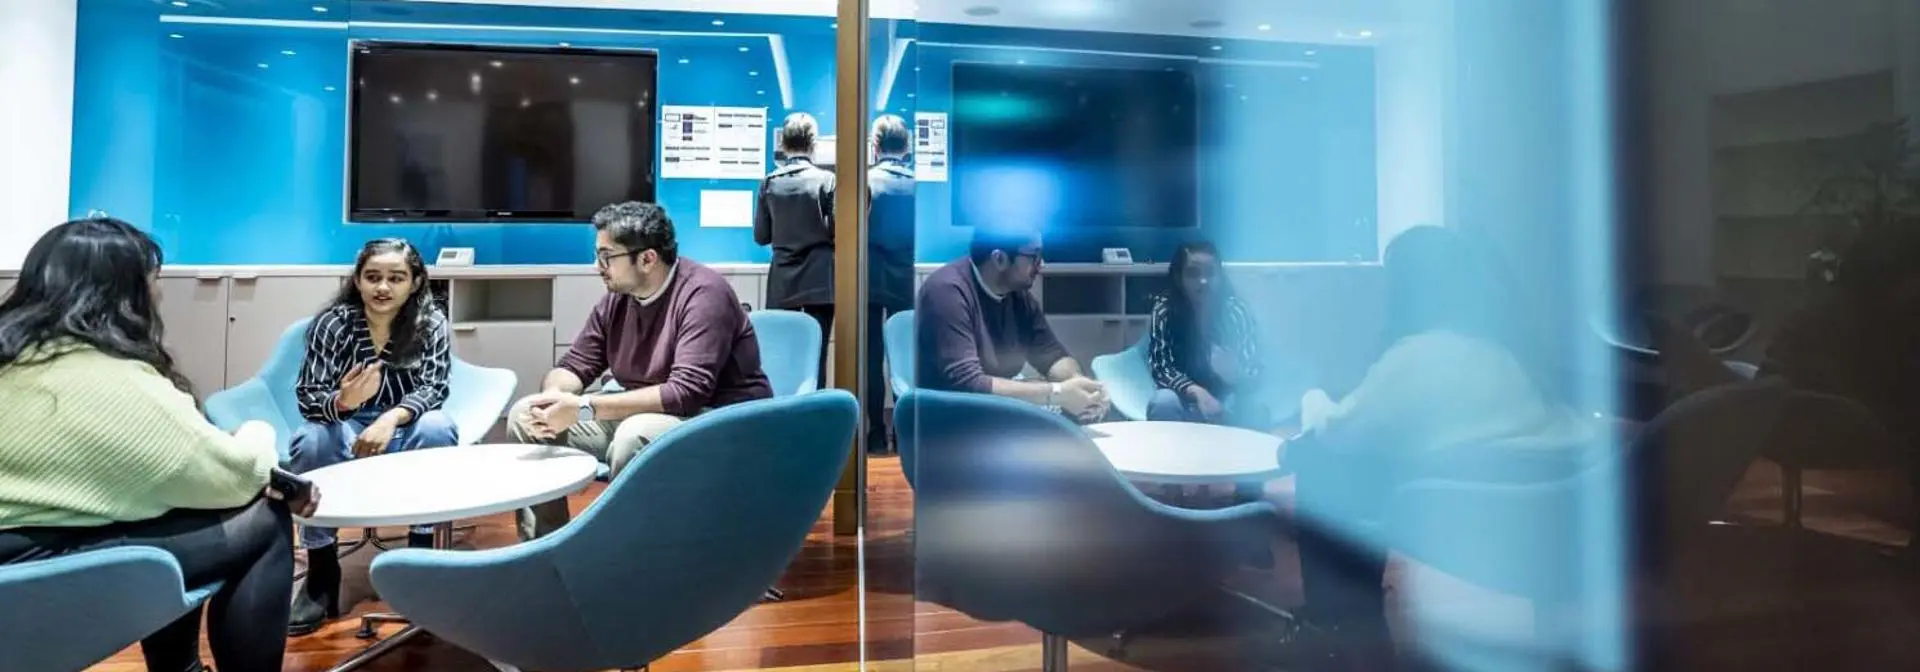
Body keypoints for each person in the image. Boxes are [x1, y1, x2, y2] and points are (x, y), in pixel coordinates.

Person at [0, 217, 318, 672]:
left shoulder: (12, 360)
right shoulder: (121, 381)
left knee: (172, 505)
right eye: (154, 281)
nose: (159, 293)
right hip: (43, 576)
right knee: (262, 520)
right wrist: (260, 433)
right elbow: (235, 475)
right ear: (124, 294)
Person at [1287, 225, 1593, 662]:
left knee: (1321, 459)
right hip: (1551, 521)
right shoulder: (1508, 353)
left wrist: (1312, 399)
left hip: (1473, 523)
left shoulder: (1415, 358)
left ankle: (1334, 626)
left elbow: (1339, 430)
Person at [511, 201, 774, 540]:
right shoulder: (618, 297)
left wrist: (585, 408)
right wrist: (553, 398)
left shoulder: (704, 294)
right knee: (524, 415)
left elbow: (686, 393)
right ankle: (547, 548)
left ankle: (633, 555)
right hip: (647, 412)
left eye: (607, 256)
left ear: (647, 259)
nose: (597, 266)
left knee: (634, 435)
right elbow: (576, 364)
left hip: (719, 419)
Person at [285, 238, 457, 636]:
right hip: (346, 426)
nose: (383, 287)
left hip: (403, 427)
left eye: (396, 278)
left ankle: (421, 553)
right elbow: (309, 397)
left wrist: (391, 419)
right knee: (312, 440)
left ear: (414, 283)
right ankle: (322, 567)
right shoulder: (333, 323)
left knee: (438, 427)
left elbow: (435, 388)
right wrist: (345, 402)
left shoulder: (431, 322)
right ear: (358, 281)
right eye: (373, 277)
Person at [916, 223, 1109, 422]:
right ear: (999, 259)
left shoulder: (1018, 295)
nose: (1041, 264)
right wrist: (1057, 393)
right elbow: (968, 385)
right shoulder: (946, 292)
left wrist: (1080, 386)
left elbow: (1052, 355)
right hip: (951, 422)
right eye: (1034, 255)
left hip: (994, 414)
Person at [1146, 241, 1268, 427]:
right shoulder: (1165, 309)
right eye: (1193, 273)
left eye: (1210, 273)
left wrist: (1237, 374)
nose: (1203, 281)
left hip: (1228, 396)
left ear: (1220, 276)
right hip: (1183, 396)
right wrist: (1197, 392)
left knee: (1253, 407)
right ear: (1179, 278)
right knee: (1163, 402)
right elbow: (1162, 367)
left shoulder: (1236, 311)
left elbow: (1255, 366)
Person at [755, 112, 838, 378]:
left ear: (783, 144)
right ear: (813, 144)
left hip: (782, 280)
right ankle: (818, 416)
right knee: (818, 356)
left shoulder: (769, 182)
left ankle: (786, 416)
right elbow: (838, 231)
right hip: (820, 278)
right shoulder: (827, 181)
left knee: (781, 355)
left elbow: (761, 236)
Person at [866, 114, 915, 452]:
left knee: (871, 357)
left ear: (875, 146)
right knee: (903, 355)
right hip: (905, 277)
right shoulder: (917, 183)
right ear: (907, 146)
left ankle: (875, 434)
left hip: (870, 277)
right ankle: (904, 431)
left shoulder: (864, 182)